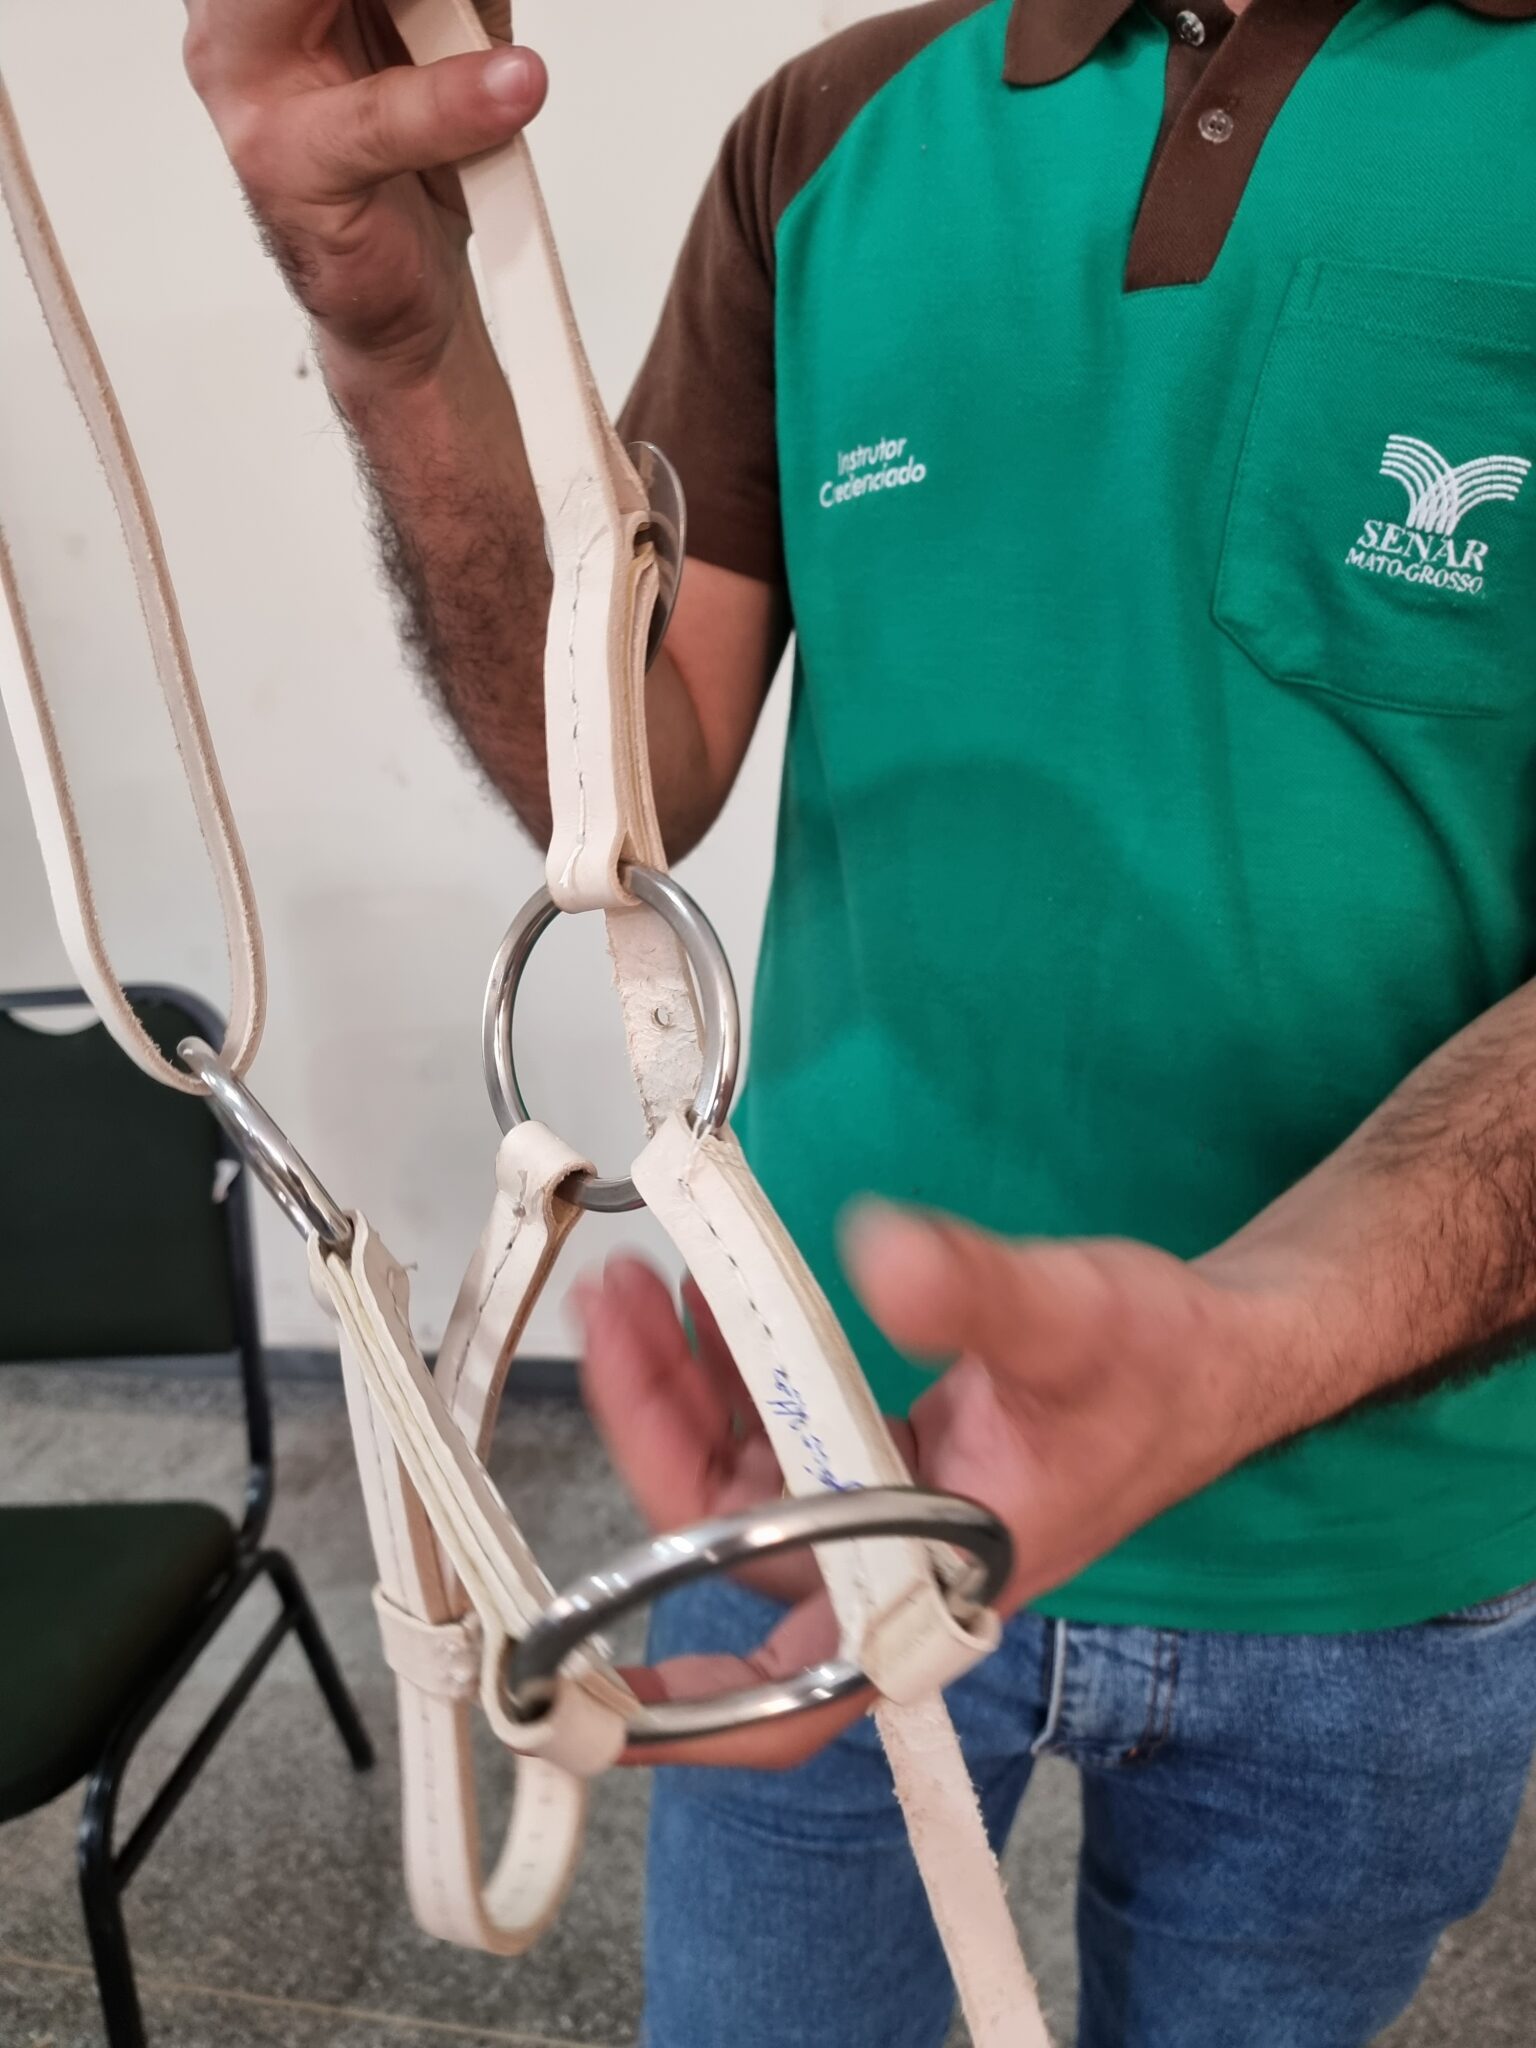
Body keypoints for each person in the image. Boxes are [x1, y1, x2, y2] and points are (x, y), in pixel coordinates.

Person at [186, 2, 1536, 2041]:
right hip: (822, 1458)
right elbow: (625, 780)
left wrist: (1251, 1345)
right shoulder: (831, 133)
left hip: (1386, 1548)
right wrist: (394, 341)